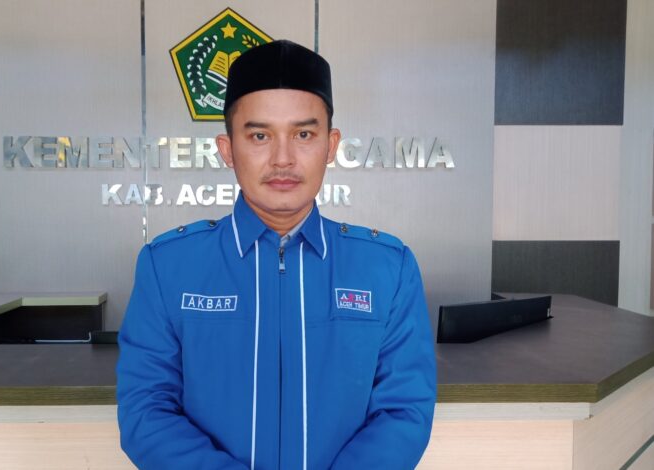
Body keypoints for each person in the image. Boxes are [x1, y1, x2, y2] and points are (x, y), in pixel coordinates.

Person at [117, 39, 436, 470]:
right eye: (260, 136)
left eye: (303, 134)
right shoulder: (167, 267)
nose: (283, 159)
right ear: (228, 149)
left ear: (331, 145)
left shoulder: (387, 269)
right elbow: (146, 411)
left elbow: (404, 410)